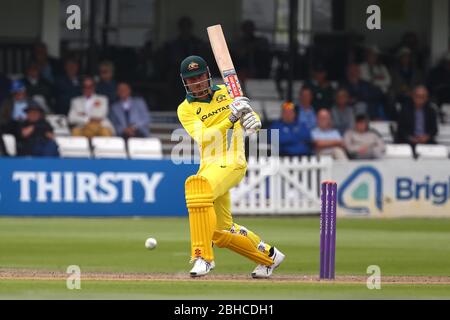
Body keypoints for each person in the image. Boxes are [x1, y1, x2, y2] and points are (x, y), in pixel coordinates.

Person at [177, 55, 285, 278]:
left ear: (207, 75)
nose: (196, 82)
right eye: (191, 79)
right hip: (210, 165)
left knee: (198, 187)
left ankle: (202, 256)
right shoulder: (185, 109)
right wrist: (231, 118)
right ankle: (269, 257)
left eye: (199, 77)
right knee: (220, 231)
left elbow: (248, 112)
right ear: (184, 82)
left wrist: (253, 119)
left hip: (233, 160)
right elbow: (205, 137)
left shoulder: (228, 93)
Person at [396, 86, 438, 150]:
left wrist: (426, 137)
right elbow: (400, 129)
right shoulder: (405, 110)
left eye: (423, 97)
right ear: (413, 96)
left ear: (426, 98)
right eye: (418, 96)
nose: (420, 99)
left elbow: (434, 130)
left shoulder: (431, 111)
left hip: (426, 142)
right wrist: (411, 138)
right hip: (407, 142)